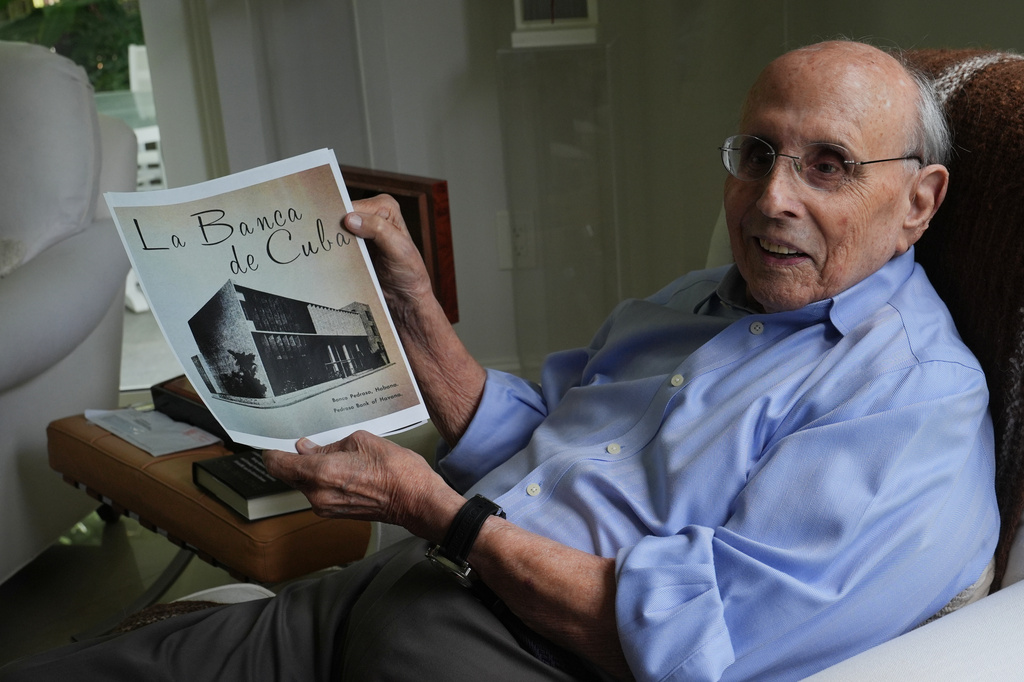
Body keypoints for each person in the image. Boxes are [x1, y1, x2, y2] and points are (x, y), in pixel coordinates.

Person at [0, 40, 999, 682]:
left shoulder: (911, 407)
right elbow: (523, 434)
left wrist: (436, 513)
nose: (772, 196)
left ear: (919, 201)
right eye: (755, 154)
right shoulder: (685, 307)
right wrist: (414, 305)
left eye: (826, 165)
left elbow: (694, 641)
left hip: (512, 655)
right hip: (380, 594)